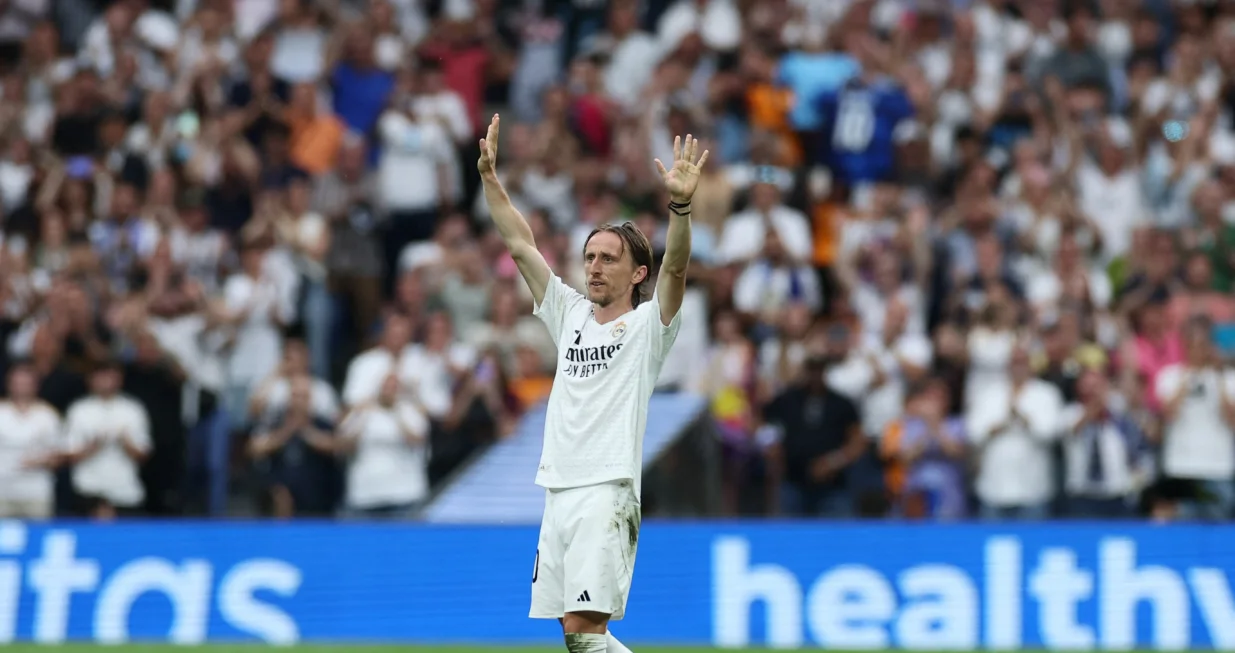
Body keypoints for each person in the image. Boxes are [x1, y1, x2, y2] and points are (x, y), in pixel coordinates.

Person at [477, 114, 706, 653]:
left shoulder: (650, 328)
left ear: (637, 274)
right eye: (589, 258)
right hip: (558, 488)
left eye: (609, 259)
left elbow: (676, 269)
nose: (595, 267)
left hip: (607, 488)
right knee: (575, 637)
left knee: (584, 633)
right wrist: (491, 180)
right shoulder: (569, 314)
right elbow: (520, 244)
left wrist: (680, 207)